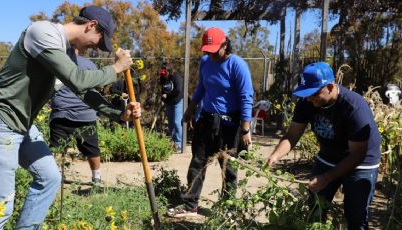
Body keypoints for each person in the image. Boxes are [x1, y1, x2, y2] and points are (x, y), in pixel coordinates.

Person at [0, 6, 141, 229]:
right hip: (0, 123)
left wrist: (120, 114)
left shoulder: (67, 52)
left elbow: (84, 92)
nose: (96, 48)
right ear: (91, 25)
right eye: (98, 41)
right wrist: (116, 68)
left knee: (49, 179)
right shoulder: (42, 32)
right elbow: (78, 79)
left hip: (22, 126)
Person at [266, 62, 381, 229]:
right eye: (306, 94)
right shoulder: (306, 102)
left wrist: (326, 178)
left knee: (355, 216)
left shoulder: (354, 107)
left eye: (314, 93)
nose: (310, 99)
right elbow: (292, 135)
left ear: (330, 86)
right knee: (315, 208)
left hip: (362, 162)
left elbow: (357, 155)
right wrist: (275, 155)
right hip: (329, 155)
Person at [167, 27, 254, 217]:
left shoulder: (237, 65)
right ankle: (190, 205)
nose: (210, 54)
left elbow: (246, 97)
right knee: (197, 163)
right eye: (207, 50)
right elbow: (201, 88)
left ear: (225, 44)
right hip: (206, 120)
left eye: (214, 50)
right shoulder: (206, 62)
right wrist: (190, 111)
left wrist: (246, 130)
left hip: (230, 125)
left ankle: (228, 208)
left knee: (228, 168)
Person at [49, 48, 103, 186]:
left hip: (62, 113)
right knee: (91, 148)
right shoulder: (89, 64)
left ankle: (57, 177)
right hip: (83, 113)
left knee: (59, 148)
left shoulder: (54, 63)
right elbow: (99, 85)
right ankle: (96, 177)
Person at [159, 62, 184, 152]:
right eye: (162, 74)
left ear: (169, 71)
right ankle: (173, 143)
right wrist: (163, 99)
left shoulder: (176, 77)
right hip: (168, 103)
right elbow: (163, 90)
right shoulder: (163, 78)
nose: (164, 75)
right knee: (171, 124)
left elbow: (178, 90)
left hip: (177, 102)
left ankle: (179, 144)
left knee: (177, 122)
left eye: (165, 73)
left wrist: (167, 96)